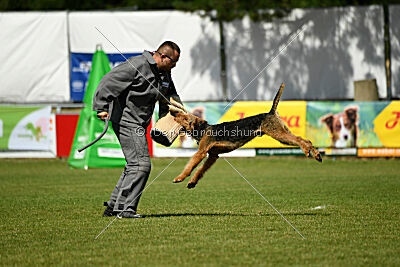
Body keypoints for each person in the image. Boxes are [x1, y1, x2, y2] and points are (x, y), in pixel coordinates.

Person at [93, 41, 182, 218]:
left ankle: (113, 206)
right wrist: (101, 106)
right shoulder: (136, 65)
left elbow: (169, 95)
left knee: (134, 165)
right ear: (162, 56)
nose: (175, 66)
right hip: (127, 121)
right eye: (173, 62)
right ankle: (125, 209)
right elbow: (108, 82)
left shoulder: (164, 73)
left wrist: (174, 115)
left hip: (140, 123)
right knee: (141, 165)